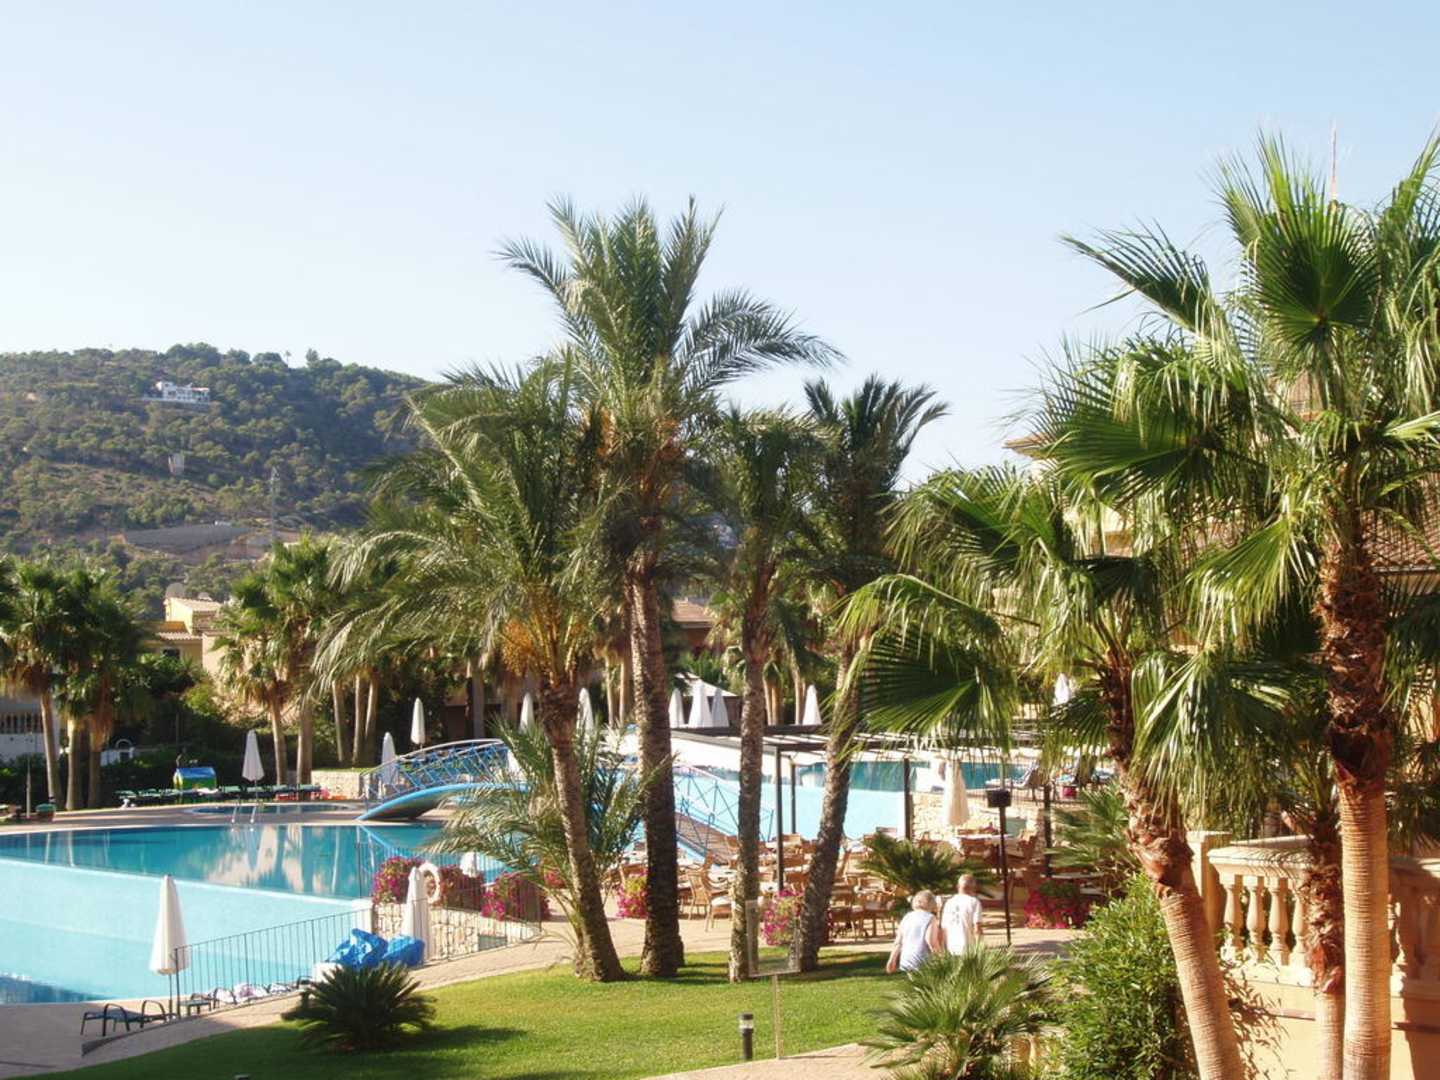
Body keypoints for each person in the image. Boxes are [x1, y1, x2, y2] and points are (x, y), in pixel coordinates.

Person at [886, 889, 943, 974]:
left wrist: (892, 959)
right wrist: (940, 957)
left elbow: (898, 941)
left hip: (907, 958)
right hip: (923, 959)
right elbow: (931, 941)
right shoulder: (930, 918)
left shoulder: (907, 917)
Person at [941, 873, 984, 954]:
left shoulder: (949, 902)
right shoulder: (974, 902)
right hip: (967, 949)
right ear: (974, 888)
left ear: (957, 886)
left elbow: (943, 928)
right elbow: (977, 928)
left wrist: (943, 948)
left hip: (950, 948)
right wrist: (979, 948)